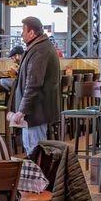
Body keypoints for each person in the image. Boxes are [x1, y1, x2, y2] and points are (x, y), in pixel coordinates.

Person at [8, 16, 61, 155]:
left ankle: (39, 176)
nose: (21, 34)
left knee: (34, 150)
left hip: (36, 112)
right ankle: (39, 175)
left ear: (31, 33)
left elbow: (33, 84)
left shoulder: (39, 50)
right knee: (35, 148)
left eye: (23, 31)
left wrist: (22, 110)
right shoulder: (40, 47)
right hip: (37, 111)